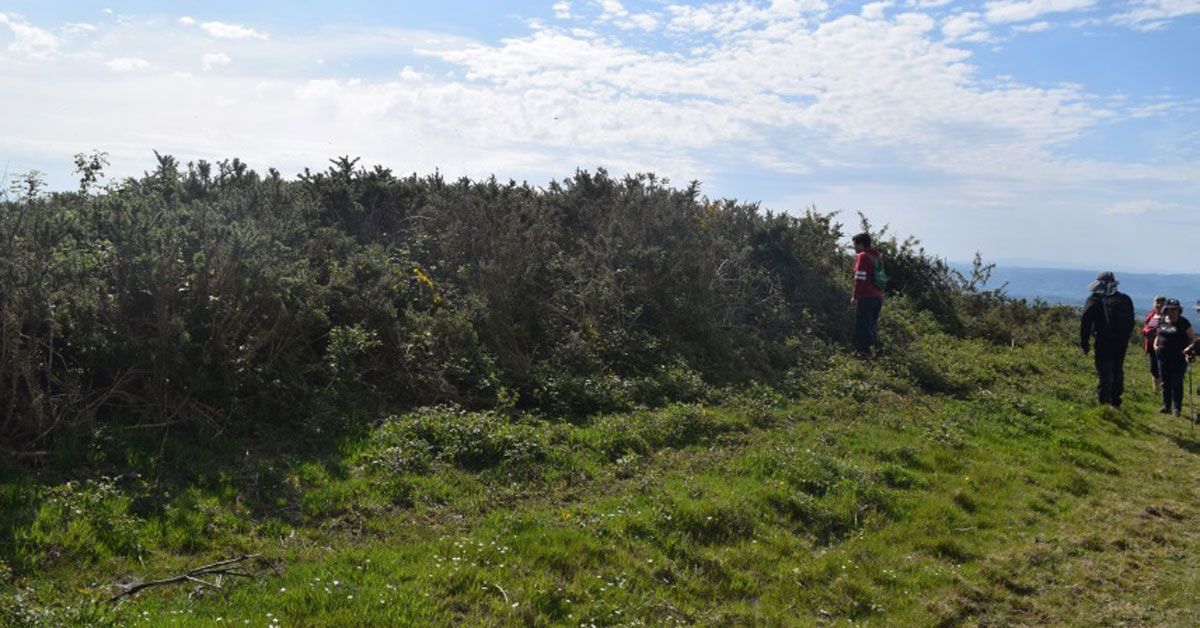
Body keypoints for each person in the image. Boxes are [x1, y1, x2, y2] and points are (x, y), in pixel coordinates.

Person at [1079, 271, 1134, 407]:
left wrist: (1084, 343)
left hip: (1103, 342)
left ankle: (1104, 403)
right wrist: (1125, 340)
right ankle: (1116, 401)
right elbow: (1131, 323)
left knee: (1104, 372)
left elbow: (1085, 322)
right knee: (1117, 370)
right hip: (1120, 343)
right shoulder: (1125, 299)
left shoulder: (1094, 299)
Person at [1155, 298, 1195, 416]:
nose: (1172, 312)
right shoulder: (1161, 321)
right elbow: (1158, 335)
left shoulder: (1184, 322)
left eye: (1175, 310)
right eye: (1170, 310)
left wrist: (1188, 349)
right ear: (1165, 310)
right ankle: (1166, 406)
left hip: (1179, 356)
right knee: (1165, 381)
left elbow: (1193, 339)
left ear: (1179, 310)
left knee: (1176, 382)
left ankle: (1176, 408)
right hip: (1163, 355)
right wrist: (1155, 345)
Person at [850, 233, 884, 357]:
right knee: (871, 326)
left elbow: (860, 278)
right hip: (877, 297)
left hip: (866, 297)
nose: (854, 248)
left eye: (855, 245)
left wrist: (855, 295)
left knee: (863, 327)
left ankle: (865, 354)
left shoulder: (863, 256)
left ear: (861, 244)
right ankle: (875, 353)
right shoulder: (876, 256)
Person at [1143, 296, 1166, 392]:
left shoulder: (1166, 317)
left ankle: (1164, 390)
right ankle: (1156, 389)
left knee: (1162, 368)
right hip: (1151, 346)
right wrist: (1147, 331)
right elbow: (1145, 326)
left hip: (1162, 347)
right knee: (1153, 368)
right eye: (1157, 302)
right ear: (1154, 304)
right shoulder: (1151, 314)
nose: (1159, 305)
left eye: (1162, 303)